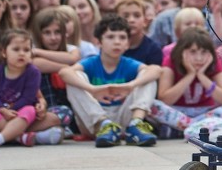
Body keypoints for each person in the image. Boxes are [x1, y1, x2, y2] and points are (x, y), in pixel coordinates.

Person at [60, 15, 161, 147]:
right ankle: (104, 124)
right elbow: (64, 72)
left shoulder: (128, 63)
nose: (117, 42)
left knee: (148, 76)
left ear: (128, 44)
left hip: (123, 118)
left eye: (122, 37)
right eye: (110, 37)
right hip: (94, 120)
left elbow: (156, 70)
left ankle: (135, 125)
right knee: (75, 76)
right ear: (99, 42)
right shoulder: (91, 62)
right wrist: (92, 90)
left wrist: (130, 86)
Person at [150, 27, 222, 139]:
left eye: (204, 52)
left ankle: (186, 128)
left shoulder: (214, 63)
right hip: (178, 111)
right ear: (182, 51)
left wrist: (202, 76)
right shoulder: (170, 61)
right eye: (193, 52)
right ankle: (205, 127)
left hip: (207, 112)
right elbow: (165, 99)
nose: (199, 58)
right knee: (151, 104)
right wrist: (190, 75)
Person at [0, 30, 52, 148]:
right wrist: (3, 109)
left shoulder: (33, 72)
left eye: (26, 50)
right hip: (2, 111)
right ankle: (19, 136)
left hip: (21, 111)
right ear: (4, 52)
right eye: (16, 49)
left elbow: (28, 97)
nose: (22, 53)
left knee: (30, 110)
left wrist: (12, 109)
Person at [114, 0, 163, 66]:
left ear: (145, 21)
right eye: (125, 16)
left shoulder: (153, 49)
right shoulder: (110, 46)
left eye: (137, 16)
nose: (131, 20)